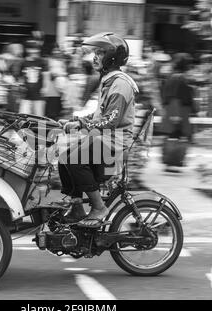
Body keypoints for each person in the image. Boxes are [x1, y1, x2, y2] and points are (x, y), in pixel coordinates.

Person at [58, 32, 139, 228]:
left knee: (74, 160)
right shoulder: (108, 82)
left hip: (115, 142)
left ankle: (98, 207)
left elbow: (110, 120)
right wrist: (75, 121)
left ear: (111, 57)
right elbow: (99, 116)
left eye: (100, 53)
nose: (94, 57)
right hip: (104, 138)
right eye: (95, 52)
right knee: (63, 159)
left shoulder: (120, 84)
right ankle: (77, 207)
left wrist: (81, 125)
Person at [160, 53, 196, 172]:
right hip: (178, 111)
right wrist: (176, 116)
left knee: (175, 137)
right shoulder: (178, 78)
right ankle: (172, 161)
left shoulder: (174, 77)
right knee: (174, 137)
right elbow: (174, 97)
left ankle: (173, 162)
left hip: (176, 111)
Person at [19, 39, 47, 116]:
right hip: (26, 95)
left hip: (39, 94)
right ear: (27, 50)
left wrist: (45, 87)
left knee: (40, 118)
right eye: (33, 49)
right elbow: (21, 77)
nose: (35, 51)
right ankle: (23, 129)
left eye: (37, 49)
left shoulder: (42, 62)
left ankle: (41, 129)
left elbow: (46, 75)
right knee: (22, 117)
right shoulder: (23, 62)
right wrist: (21, 86)